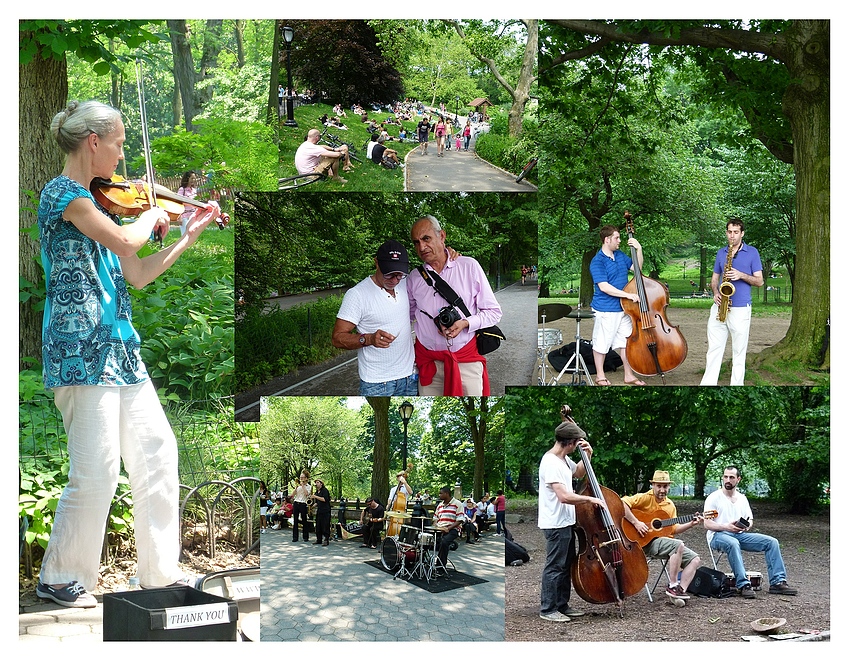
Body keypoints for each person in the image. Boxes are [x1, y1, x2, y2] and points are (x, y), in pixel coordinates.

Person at [34, 100, 222, 608]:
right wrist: (156, 212)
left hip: (120, 350)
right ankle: (59, 578)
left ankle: (160, 575)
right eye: (117, 142)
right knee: (97, 468)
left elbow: (134, 273)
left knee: (158, 454)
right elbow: (122, 241)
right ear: (93, 141)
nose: (122, 155)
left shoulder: (100, 203)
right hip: (80, 352)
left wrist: (185, 237)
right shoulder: (63, 195)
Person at [407, 215, 502, 396]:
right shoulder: (414, 278)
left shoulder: (469, 266)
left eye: (426, 239)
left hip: (466, 362)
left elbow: (494, 312)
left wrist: (466, 323)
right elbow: (407, 316)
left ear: (442, 236)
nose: (421, 247)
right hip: (429, 366)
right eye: (416, 242)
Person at [538, 418, 605, 622]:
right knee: (555, 566)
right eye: (577, 442)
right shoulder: (550, 462)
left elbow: (577, 472)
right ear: (569, 442)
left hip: (566, 522)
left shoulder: (563, 460)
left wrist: (588, 455)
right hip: (555, 524)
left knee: (566, 565)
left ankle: (562, 605)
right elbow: (564, 496)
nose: (577, 446)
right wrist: (590, 498)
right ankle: (548, 609)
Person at [332, 240, 418, 396]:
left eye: (399, 274)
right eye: (389, 274)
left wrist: (450, 255)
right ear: (376, 263)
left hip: (410, 376)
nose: (394, 280)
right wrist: (369, 339)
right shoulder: (357, 295)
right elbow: (337, 338)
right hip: (377, 383)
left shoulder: (405, 283)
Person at [704, 466, 797, 597]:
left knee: (772, 542)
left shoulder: (742, 498)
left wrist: (747, 526)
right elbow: (707, 523)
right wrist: (726, 527)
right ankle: (743, 585)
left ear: (738, 479)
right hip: (718, 535)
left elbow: (750, 518)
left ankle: (777, 582)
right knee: (732, 543)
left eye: (731, 477)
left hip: (740, 534)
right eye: (725, 477)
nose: (727, 480)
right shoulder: (713, 498)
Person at [621, 471, 703, 603]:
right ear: (653, 485)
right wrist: (636, 523)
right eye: (659, 486)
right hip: (642, 542)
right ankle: (673, 585)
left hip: (661, 543)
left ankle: (679, 591)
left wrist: (691, 524)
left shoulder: (670, 505)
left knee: (695, 559)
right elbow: (621, 503)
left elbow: (674, 528)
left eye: (665, 486)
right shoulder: (644, 498)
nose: (662, 490)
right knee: (678, 545)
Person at [700, 218, 764, 386]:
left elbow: (760, 281)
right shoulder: (722, 252)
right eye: (729, 232)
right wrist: (715, 292)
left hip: (740, 309)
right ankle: (708, 384)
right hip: (719, 306)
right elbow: (714, 279)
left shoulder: (752, 252)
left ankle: (737, 385)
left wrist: (741, 275)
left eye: (736, 232)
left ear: (742, 233)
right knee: (713, 349)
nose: (732, 236)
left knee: (739, 351)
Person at [588, 224, 646, 386]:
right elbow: (604, 287)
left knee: (626, 343)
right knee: (602, 343)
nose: (620, 241)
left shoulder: (620, 255)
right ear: (607, 240)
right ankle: (600, 376)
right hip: (605, 309)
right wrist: (628, 295)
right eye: (616, 238)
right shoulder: (597, 261)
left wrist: (639, 250)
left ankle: (628, 375)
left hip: (624, 308)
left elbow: (637, 269)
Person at [432, 486, 465, 572]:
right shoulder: (440, 505)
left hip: (453, 529)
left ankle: (440, 566)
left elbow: (460, 519)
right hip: (439, 529)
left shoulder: (457, 504)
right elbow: (435, 518)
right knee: (424, 539)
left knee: (444, 542)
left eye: (441, 493)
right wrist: (436, 526)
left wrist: (448, 528)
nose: (439, 495)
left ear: (446, 494)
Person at [176, 170, 199, 236]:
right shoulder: (182, 190)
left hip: (193, 215)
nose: (193, 180)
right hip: (184, 216)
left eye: (194, 178)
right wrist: (179, 217)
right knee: (185, 235)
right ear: (187, 178)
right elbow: (178, 203)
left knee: (192, 234)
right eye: (192, 178)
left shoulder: (194, 190)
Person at [310, 479, 332, 546]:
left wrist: (315, 496)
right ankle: (319, 539)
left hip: (326, 510)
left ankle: (326, 539)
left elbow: (324, 499)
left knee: (325, 525)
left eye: (317, 482)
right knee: (318, 525)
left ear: (321, 484)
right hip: (319, 511)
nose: (316, 484)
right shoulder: (317, 492)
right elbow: (317, 502)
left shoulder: (325, 490)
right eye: (315, 482)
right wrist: (311, 507)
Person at [292, 472, 312, 542]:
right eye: (300, 478)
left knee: (304, 521)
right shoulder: (298, 486)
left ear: (306, 478)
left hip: (303, 504)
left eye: (302, 477)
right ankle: (295, 537)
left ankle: (305, 537)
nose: (301, 479)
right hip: (296, 503)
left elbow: (307, 494)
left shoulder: (309, 486)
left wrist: (303, 486)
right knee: (295, 520)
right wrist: (296, 488)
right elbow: (292, 495)